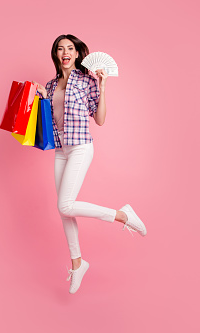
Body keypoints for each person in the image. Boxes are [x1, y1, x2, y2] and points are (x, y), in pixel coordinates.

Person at [33, 34, 147, 294]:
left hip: (81, 147)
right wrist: (43, 97)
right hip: (61, 149)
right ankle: (77, 264)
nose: (65, 52)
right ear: (55, 54)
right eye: (60, 49)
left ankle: (124, 216)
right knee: (65, 210)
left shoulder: (86, 80)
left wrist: (103, 87)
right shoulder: (51, 85)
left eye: (70, 48)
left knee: (65, 204)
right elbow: (50, 120)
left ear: (76, 54)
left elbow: (100, 119)